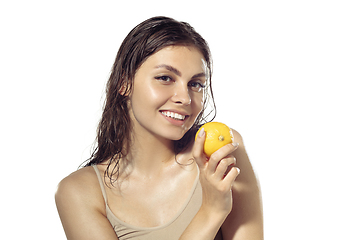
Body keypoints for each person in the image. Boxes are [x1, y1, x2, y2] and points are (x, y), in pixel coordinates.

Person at [55, 16, 263, 240]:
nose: (184, 98)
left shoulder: (221, 153)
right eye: (165, 78)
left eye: (195, 84)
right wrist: (211, 212)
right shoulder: (80, 192)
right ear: (123, 83)